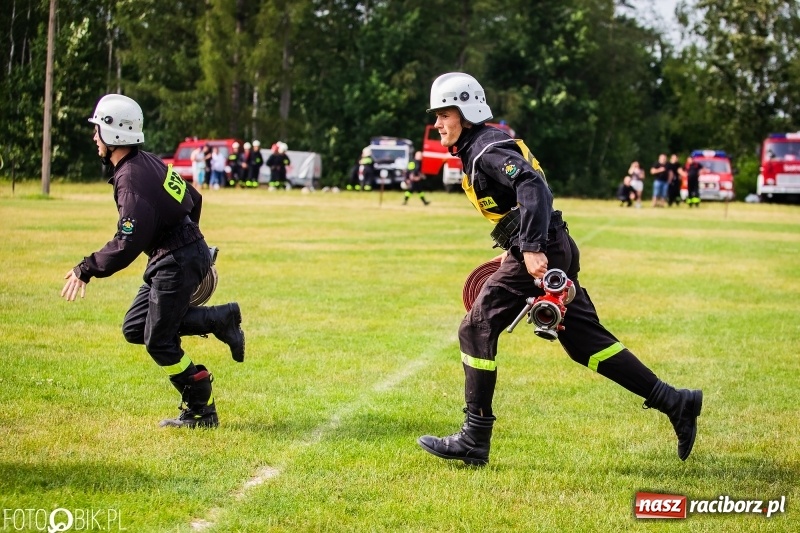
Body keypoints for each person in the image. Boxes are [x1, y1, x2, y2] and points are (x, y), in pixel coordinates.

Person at [416, 73, 702, 466]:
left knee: (475, 327)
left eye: (443, 114)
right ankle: (675, 401)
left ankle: (474, 438)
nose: (437, 124)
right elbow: (520, 203)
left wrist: (530, 249)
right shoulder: (481, 147)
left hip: (545, 248)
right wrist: (516, 247)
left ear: (465, 111)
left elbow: (532, 186)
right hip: (554, 245)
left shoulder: (485, 149)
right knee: (585, 343)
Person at [60, 94, 246, 428]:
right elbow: (194, 197)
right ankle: (218, 320)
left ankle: (202, 409)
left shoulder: (131, 180)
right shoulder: (147, 162)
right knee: (136, 328)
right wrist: (192, 242)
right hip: (174, 259)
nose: (94, 137)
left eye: (98, 129)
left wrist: (85, 269)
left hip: (175, 261)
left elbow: (127, 243)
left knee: (159, 341)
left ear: (114, 134)